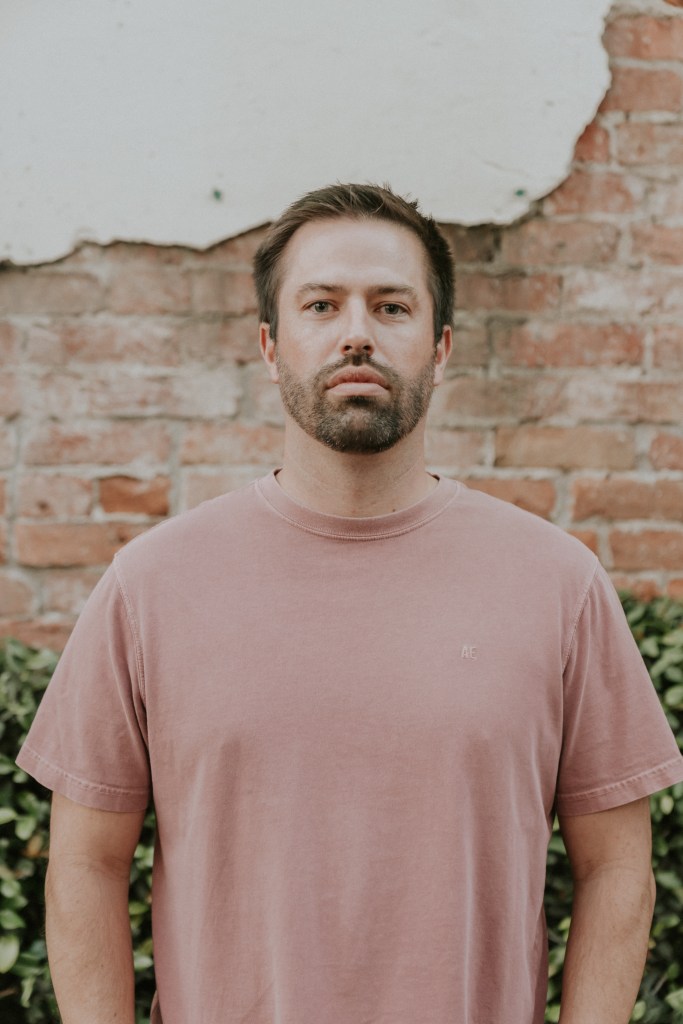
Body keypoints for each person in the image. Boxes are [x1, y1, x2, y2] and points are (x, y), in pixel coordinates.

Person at [17, 182, 683, 1024]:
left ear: (440, 347)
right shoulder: (150, 585)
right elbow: (85, 864)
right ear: (271, 346)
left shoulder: (557, 583)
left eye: (391, 306)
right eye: (321, 305)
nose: (356, 332)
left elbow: (616, 868)